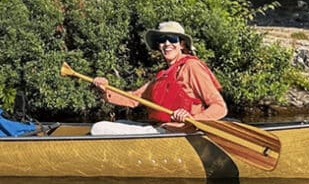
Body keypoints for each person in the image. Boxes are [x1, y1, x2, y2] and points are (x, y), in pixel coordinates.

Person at [90, 21, 227, 135]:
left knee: (98, 128)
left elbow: (219, 107)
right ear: (159, 46)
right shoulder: (163, 75)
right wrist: (105, 90)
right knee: (118, 123)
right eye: (162, 40)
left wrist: (192, 119)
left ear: (182, 44)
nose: (167, 43)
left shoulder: (191, 66)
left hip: (181, 132)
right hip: (164, 128)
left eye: (172, 39)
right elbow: (134, 99)